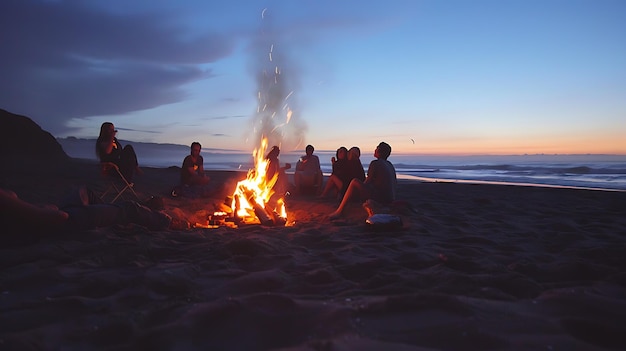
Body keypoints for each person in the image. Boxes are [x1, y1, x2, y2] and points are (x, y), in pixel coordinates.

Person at [1, 187, 187, 240]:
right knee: (131, 207)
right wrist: (48, 209)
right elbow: (56, 218)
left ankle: (110, 213)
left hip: (54, 215)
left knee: (84, 192)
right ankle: (167, 222)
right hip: (63, 222)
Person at [329, 142, 397, 219]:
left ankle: (339, 211)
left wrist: (358, 190)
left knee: (354, 182)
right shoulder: (389, 164)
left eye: (376, 148)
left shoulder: (375, 163)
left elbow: (367, 182)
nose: (375, 150)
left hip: (381, 198)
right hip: (390, 198)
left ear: (378, 151)